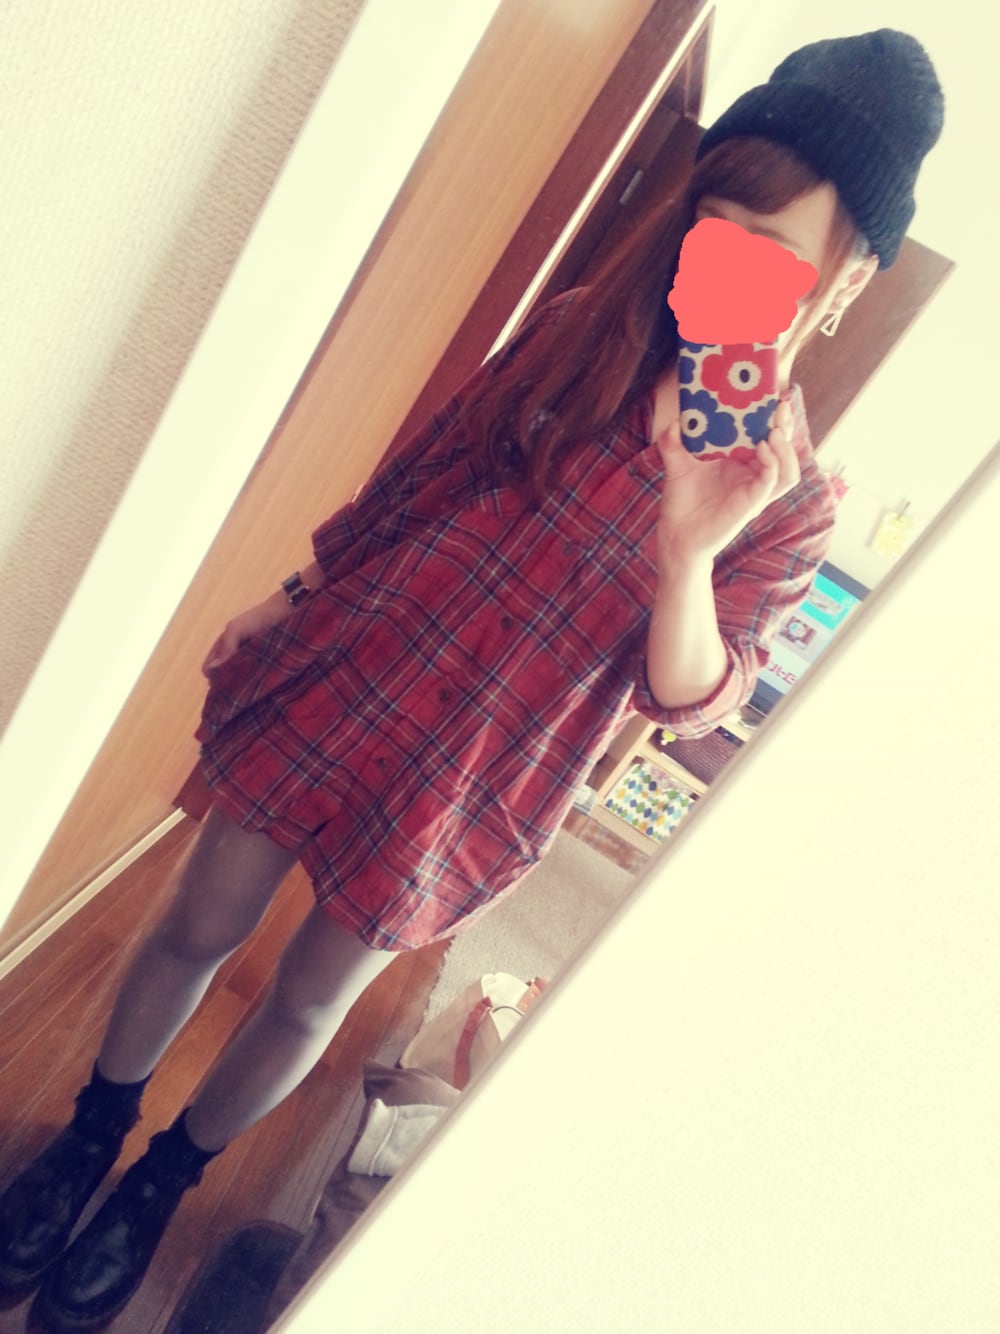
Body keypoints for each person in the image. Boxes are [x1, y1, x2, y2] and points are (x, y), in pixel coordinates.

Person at [0, 28, 942, 1332]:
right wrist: (294, 592)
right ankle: (90, 1134)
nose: (726, 263)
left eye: (773, 253)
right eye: (716, 223)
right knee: (197, 917)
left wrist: (689, 549)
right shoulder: (580, 331)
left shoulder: (787, 504)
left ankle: (162, 1183)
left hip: (484, 768)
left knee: (310, 997)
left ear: (846, 280)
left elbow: (689, 699)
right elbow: (424, 477)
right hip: (364, 662)